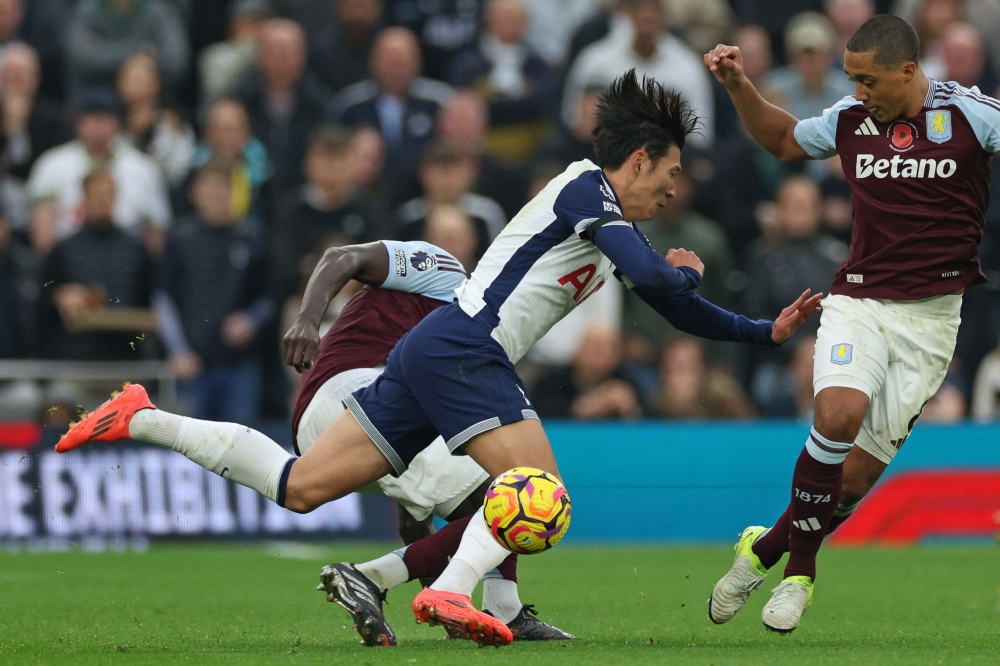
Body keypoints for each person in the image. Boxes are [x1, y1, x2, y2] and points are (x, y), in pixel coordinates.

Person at [56, 71, 822, 646]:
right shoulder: (589, 191)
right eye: (672, 170)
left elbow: (668, 303)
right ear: (643, 158)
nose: (675, 186)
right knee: (542, 495)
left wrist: (762, 332)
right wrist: (684, 273)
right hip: (466, 349)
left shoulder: (606, 221)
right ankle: (453, 591)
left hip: (432, 352)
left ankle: (145, 417)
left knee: (301, 487)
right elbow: (665, 282)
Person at [704, 14, 997, 633]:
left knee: (851, 484)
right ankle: (799, 577)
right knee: (835, 415)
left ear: (909, 72)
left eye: (869, 80)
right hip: (858, 301)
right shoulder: (849, 119)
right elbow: (784, 141)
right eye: (851, 79)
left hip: (932, 322)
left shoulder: (971, 115)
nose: (859, 91)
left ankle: (760, 550)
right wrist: (738, 86)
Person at [281, 238, 572, 644]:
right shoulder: (448, 275)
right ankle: (374, 577)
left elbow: (412, 519)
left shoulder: (487, 327)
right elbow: (340, 256)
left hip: (345, 416)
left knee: (491, 492)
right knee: (511, 488)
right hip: (348, 391)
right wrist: (309, 320)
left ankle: (495, 608)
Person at [155, 163, 271, 423]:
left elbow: (268, 296)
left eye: (224, 192)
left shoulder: (251, 236)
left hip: (239, 365)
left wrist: (250, 320)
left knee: (241, 448)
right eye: (211, 192)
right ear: (195, 195)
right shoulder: (180, 238)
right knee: (188, 451)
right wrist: (178, 350)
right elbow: (163, 298)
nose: (218, 199)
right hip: (192, 365)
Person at [25, 86, 171, 256]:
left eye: (105, 119)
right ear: (78, 123)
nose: (98, 127)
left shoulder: (143, 168)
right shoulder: (53, 164)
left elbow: (156, 234)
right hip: (69, 260)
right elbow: (42, 234)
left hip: (126, 260)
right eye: (92, 119)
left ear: (119, 123)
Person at [563, 0, 715, 146]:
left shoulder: (688, 66)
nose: (646, 16)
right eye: (637, 8)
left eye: (654, 10)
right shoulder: (595, 61)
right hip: (598, 155)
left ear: (665, 17)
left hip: (668, 159)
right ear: (624, 14)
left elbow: (700, 135)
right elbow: (572, 120)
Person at [328, 27, 453, 203]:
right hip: (362, 199)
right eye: (390, 61)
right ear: (373, 61)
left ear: (417, 62)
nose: (396, 69)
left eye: (401, 61)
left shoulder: (440, 103)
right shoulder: (349, 106)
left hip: (427, 198)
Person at [447, 0, 560, 164]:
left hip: (531, 156)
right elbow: (463, 106)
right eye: (506, 18)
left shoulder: (538, 66)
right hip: (476, 157)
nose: (511, 24)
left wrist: (491, 105)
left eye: (517, 19)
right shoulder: (467, 64)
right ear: (489, 20)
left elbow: (545, 102)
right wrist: (521, 105)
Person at [236, 19, 328, 199]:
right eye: (271, 52)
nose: (278, 62)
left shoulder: (320, 105)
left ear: (302, 56)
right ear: (258, 56)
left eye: (285, 53)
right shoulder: (240, 102)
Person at [116, 53, 196, 190]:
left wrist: (158, 133)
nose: (131, 85)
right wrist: (132, 134)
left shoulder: (173, 121)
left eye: (138, 80)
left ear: (154, 84)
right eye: (126, 79)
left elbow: (176, 171)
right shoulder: (112, 119)